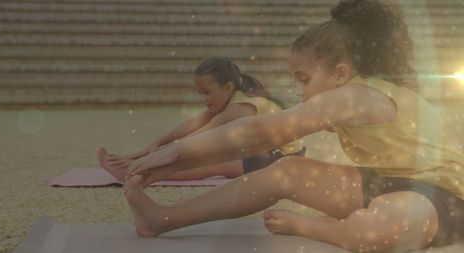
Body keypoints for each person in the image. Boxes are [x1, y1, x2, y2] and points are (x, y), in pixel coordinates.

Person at [123, 0, 464, 252]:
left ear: (340, 73)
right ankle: (160, 219)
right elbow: (254, 141)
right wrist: (172, 162)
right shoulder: (351, 93)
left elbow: (260, 133)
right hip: (386, 183)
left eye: (304, 80)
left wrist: (170, 154)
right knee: (287, 170)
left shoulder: (355, 95)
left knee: (387, 229)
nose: (300, 91)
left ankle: (322, 230)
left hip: (446, 196)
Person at [98, 56, 305, 182]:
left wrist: (143, 163)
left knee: (211, 161)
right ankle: (137, 168)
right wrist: (151, 147)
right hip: (266, 153)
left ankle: (137, 174)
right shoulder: (229, 102)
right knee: (202, 153)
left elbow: (193, 140)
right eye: (200, 93)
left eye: (207, 92)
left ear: (228, 88)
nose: (204, 99)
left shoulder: (240, 108)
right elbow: (193, 125)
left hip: (284, 159)